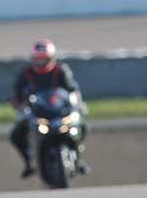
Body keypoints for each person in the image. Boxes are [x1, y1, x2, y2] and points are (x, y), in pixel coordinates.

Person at [9, 40, 89, 178]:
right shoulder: (26, 73)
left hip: (59, 112)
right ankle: (29, 163)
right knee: (16, 135)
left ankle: (78, 158)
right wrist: (20, 105)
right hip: (37, 113)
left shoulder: (61, 71)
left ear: (51, 58)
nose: (41, 63)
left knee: (82, 127)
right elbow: (16, 93)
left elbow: (72, 90)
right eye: (38, 59)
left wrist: (79, 105)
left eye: (44, 59)